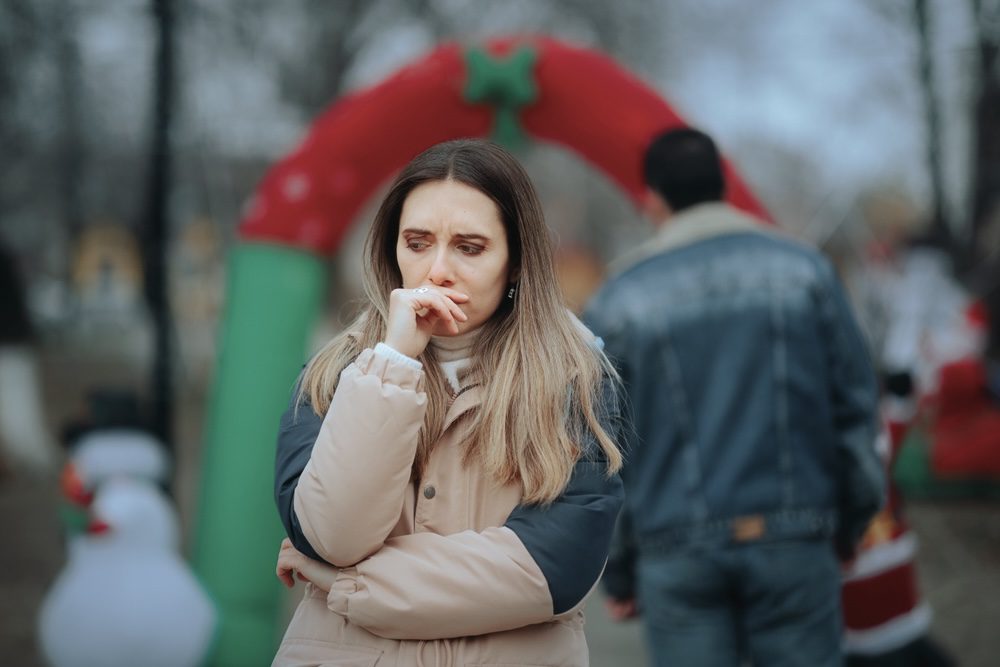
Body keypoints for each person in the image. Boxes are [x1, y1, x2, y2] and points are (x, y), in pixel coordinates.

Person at [271, 139, 625, 666]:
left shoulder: (578, 381)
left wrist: (344, 586)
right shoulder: (333, 374)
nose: (438, 270)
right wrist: (393, 364)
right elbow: (334, 537)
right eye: (417, 243)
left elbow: (550, 572)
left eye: (470, 247)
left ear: (517, 260)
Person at [583, 127, 885, 666]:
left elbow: (604, 446)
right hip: (797, 536)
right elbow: (856, 407)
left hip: (673, 552)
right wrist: (851, 522)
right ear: (722, 182)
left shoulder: (619, 300)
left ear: (651, 198)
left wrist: (620, 570)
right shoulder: (804, 271)